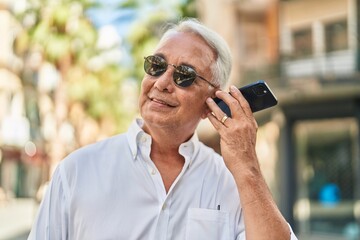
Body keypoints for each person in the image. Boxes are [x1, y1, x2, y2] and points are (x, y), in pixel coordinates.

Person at [28, 18, 298, 240]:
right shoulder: (75, 172)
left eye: (184, 75)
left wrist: (247, 165)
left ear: (211, 103)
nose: (162, 83)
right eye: (156, 66)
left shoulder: (231, 184)